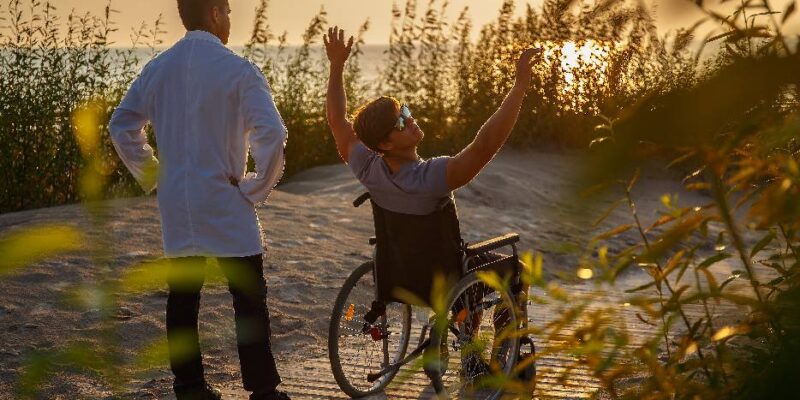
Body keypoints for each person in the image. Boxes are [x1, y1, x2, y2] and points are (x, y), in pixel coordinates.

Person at [324, 25, 538, 378]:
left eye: (406, 111)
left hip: (400, 276)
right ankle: (504, 356)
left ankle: (461, 342)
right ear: (387, 143)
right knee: (514, 270)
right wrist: (518, 88)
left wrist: (336, 66)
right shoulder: (431, 178)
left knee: (466, 264)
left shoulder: (367, 168)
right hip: (446, 278)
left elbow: (336, 120)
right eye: (402, 122)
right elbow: (484, 146)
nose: (411, 120)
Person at [109, 1, 290, 399]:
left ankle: (190, 389)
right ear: (213, 12)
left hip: (178, 202)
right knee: (248, 297)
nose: (229, 21)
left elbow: (121, 125)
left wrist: (155, 176)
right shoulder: (239, 70)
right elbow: (272, 134)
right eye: (226, 11)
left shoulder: (158, 68)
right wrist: (257, 187)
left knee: (183, 297)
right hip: (226, 197)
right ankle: (263, 391)